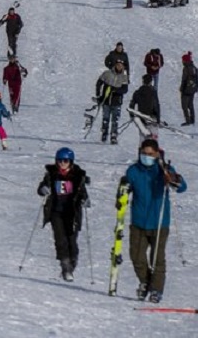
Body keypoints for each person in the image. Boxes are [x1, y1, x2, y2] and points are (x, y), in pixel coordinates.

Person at [124, 138, 187, 303]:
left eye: (150, 154)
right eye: (144, 154)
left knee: (156, 258)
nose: (147, 157)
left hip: (159, 222)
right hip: (138, 222)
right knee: (136, 256)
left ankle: (156, 290)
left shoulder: (163, 170)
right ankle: (145, 282)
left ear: (157, 154)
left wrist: (173, 179)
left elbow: (181, 187)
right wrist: (122, 192)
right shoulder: (133, 171)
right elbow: (125, 187)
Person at [36, 148, 89, 281]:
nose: (62, 164)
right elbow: (41, 187)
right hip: (56, 212)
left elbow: (82, 192)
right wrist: (43, 189)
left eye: (65, 161)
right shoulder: (52, 174)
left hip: (72, 213)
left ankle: (72, 261)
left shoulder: (77, 176)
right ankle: (65, 266)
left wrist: (85, 199)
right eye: (59, 161)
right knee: (60, 240)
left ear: (70, 162)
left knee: (71, 239)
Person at [95, 60, 130, 144]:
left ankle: (114, 135)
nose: (119, 66)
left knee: (115, 119)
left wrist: (115, 90)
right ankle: (104, 133)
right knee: (105, 118)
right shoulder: (107, 73)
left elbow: (125, 89)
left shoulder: (124, 76)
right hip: (106, 101)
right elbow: (99, 83)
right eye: (118, 65)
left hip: (117, 101)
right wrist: (98, 94)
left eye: (121, 65)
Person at [128, 74, 161, 139]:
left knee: (143, 138)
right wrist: (158, 119)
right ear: (151, 81)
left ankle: (142, 148)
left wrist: (132, 116)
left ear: (143, 81)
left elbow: (131, 105)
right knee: (153, 139)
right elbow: (156, 106)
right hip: (152, 118)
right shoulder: (153, 92)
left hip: (141, 118)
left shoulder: (137, 92)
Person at [178, 52, 198, 126]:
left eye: (183, 60)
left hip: (186, 90)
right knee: (190, 105)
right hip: (193, 89)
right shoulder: (194, 67)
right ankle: (192, 119)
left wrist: (181, 88)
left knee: (184, 105)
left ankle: (187, 121)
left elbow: (184, 79)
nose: (182, 61)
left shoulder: (186, 68)